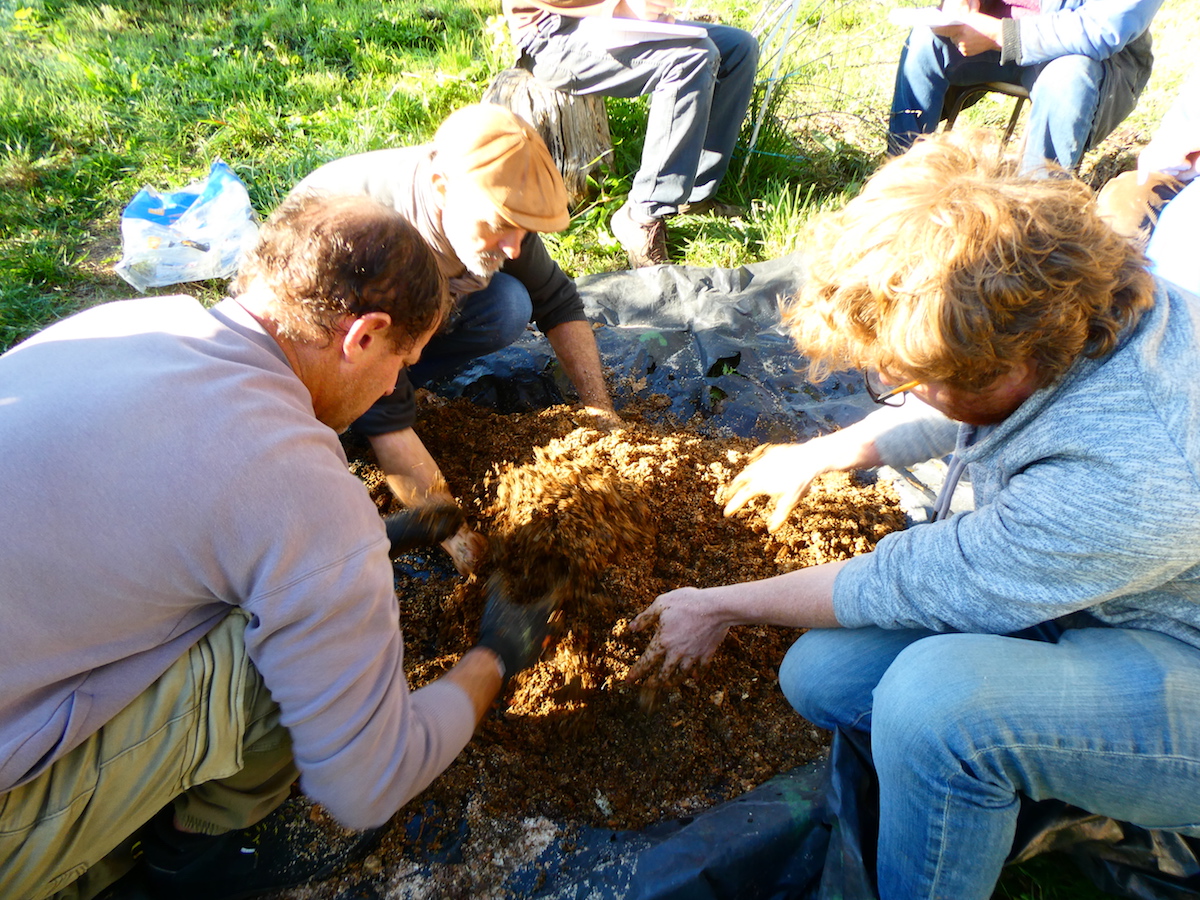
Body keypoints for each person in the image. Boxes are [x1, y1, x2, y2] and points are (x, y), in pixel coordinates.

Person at [628, 132, 1200, 899]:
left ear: (1006, 364)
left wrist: (718, 605)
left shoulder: (1130, 471)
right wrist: (823, 453)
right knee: (821, 674)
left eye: (911, 380)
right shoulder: (1072, 313)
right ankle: (1023, 765)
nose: (900, 390)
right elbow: (961, 393)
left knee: (933, 708)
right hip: (1113, 592)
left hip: (1182, 657)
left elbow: (905, 579)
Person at [0, 193, 557, 900]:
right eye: (402, 362)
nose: (395, 385)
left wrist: (374, 539)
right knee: (279, 665)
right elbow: (368, 781)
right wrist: (495, 656)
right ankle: (196, 856)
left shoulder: (130, 321)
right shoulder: (296, 482)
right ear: (364, 336)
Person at [290, 103, 616, 573]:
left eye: (522, 229)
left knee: (508, 304)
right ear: (441, 188)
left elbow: (558, 302)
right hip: (318, 335)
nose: (514, 246)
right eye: (501, 225)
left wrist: (600, 411)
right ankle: (357, 400)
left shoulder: (491, 201)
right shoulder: (378, 245)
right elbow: (387, 418)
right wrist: (457, 537)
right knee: (351, 418)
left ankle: (404, 373)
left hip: (390, 312)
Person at [501, 0, 759, 267]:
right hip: (551, 35)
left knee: (738, 47)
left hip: (612, 24)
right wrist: (617, 6)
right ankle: (643, 215)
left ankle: (694, 194)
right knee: (690, 59)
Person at [888, 0, 1162, 173]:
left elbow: (1104, 28)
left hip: (1084, 56)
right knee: (924, 40)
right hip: (988, 28)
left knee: (1067, 77)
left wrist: (1003, 36)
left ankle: (1040, 213)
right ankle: (899, 179)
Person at [1097, 64, 1200, 295]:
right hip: (1187, 181)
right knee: (1125, 199)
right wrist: (1170, 154)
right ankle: (1108, 299)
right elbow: (1175, 133)